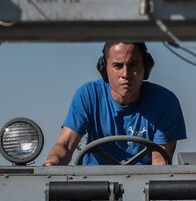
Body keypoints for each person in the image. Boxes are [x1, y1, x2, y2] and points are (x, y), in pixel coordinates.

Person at [43, 41, 186, 166]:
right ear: (104, 69)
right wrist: (52, 161)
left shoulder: (165, 102)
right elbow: (65, 145)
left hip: (143, 186)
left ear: (146, 67)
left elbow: (160, 161)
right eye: (118, 66)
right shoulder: (88, 95)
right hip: (92, 187)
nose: (126, 74)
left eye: (133, 65)